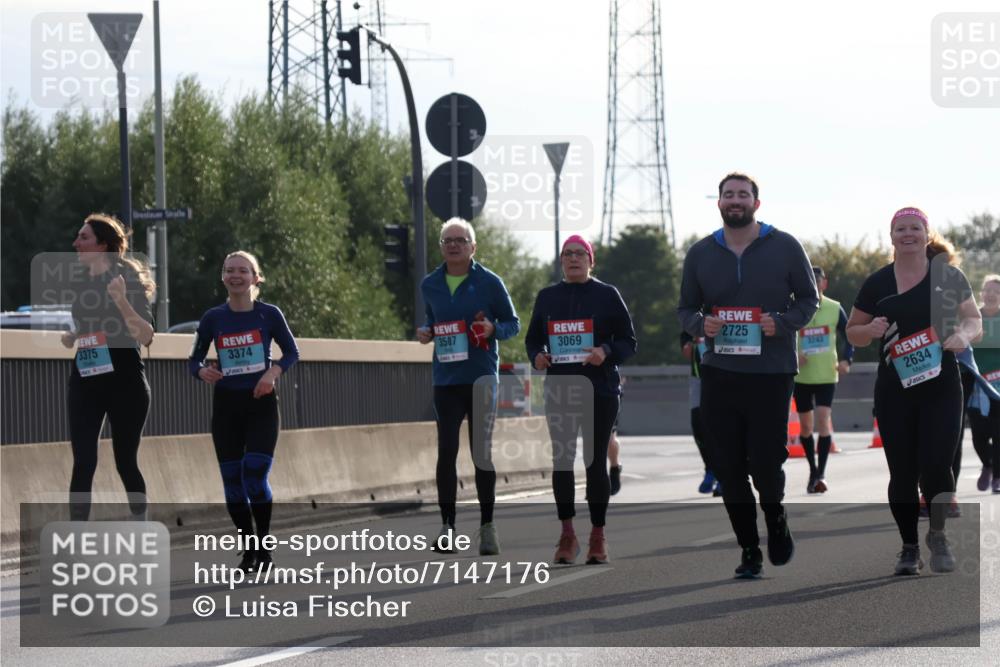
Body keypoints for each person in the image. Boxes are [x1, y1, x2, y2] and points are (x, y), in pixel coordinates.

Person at [677, 172, 818, 579]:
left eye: (743, 194)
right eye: (728, 194)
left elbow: (809, 300)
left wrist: (783, 322)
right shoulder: (701, 253)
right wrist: (701, 325)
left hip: (772, 372)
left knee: (766, 462)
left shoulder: (785, 246)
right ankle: (749, 549)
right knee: (728, 466)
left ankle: (775, 518)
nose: (734, 200)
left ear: (757, 203)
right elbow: (686, 309)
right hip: (720, 371)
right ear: (718, 203)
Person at [847, 207, 981, 575]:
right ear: (891, 237)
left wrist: (963, 335)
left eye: (914, 228)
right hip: (895, 390)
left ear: (926, 233)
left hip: (941, 387)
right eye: (900, 229)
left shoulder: (948, 277)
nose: (907, 234)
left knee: (937, 465)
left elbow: (974, 320)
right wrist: (868, 330)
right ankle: (908, 547)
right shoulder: (877, 283)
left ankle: (937, 535)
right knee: (902, 472)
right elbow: (852, 331)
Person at [526, 235, 636, 565]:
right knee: (562, 461)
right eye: (567, 254)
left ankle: (598, 536)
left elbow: (629, 342)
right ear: (561, 261)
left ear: (591, 260)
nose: (574, 258)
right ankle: (567, 534)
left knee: (593, 462)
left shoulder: (607, 295)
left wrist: (606, 351)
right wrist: (538, 357)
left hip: (600, 389)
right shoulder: (547, 297)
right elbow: (533, 340)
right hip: (561, 388)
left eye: (580, 254)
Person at [189, 251, 300, 572]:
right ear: (223, 277)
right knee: (232, 482)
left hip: (261, 404)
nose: (235, 276)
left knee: (254, 474)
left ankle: (264, 548)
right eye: (229, 271)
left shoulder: (269, 314)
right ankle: (248, 548)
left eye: (243, 270)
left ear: (255, 277)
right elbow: (193, 360)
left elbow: (292, 352)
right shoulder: (213, 318)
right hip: (226, 407)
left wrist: (272, 372)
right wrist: (201, 372)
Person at [417, 218, 520, 556]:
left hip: (480, 377)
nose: (454, 245)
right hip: (445, 379)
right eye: (448, 240)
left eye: (461, 240)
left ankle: (487, 527)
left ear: (472, 247)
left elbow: (513, 323)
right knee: (446, 451)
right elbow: (433, 321)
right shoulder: (430, 284)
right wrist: (427, 331)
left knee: (481, 453)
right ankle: (447, 527)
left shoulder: (490, 282)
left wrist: (492, 328)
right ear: (441, 246)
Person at [62, 214, 156, 522]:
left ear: (103, 245)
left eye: (84, 237)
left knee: (124, 461)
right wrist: (75, 334)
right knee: (83, 461)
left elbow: (145, 335)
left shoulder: (126, 280)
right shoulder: (79, 281)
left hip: (125, 383)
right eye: (77, 236)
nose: (76, 243)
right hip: (86, 380)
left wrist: (121, 301)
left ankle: (140, 524)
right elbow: (95, 324)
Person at [794, 266, 854, 494]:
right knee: (807, 426)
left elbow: (850, 336)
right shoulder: (794, 308)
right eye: (809, 281)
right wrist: (794, 355)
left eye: (817, 282)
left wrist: (847, 360)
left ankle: (821, 473)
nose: (814, 285)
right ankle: (812, 470)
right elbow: (781, 334)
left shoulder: (834, 308)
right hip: (801, 376)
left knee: (822, 420)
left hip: (827, 374)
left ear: (823, 284)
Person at [680, 331, 721, 496]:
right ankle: (710, 469)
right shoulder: (691, 320)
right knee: (697, 424)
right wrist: (692, 343)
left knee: (720, 427)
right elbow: (686, 352)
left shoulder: (722, 310)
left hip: (721, 376)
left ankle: (724, 474)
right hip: (698, 377)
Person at [971, 275, 1000, 493]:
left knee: (998, 433)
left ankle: (998, 477)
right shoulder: (973, 316)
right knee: (979, 435)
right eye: (987, 290)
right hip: (976, 384)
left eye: (996, 291)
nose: (990, 294)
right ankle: (988, 465)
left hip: (999, 386)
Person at [608, 376, 625, 495]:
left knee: (609, 439)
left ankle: (614, 467)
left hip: (607, 389)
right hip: (582, 388)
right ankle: (593, 482)